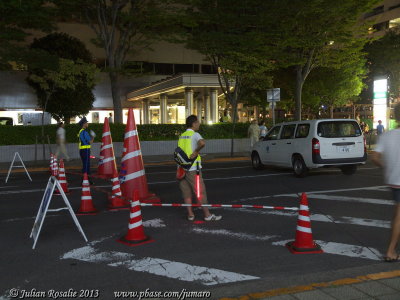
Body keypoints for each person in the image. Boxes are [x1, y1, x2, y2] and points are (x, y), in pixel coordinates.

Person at [177, 115, 222, 221]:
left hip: (182, 169)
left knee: (186, 192)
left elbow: (179, 153)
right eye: (198, 122)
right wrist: (196, 151)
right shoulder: (195, 134)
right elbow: (202, 143)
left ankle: (190, 214)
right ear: (193, 124)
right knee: (200, 191)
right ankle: (207, 215)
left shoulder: (182, 136)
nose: (199, 124)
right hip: (193, 169)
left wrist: (178, 169)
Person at [371, 103, 400, 262]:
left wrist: (386, 167)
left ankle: (391, 250)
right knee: (398, 217)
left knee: (397, 215)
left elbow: (374, 157)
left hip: (394, 180)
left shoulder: (387, 136)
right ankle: (390, 251)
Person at [77, 117, 94, 184]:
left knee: (85, 164)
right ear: (84, 124)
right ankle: (85, 180)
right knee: (86, 165)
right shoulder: (84, 132)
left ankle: (86, 179)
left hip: (82, 150)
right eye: (86, 122)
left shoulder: (80, 131)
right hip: (86, 150)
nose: (87, 123)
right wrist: (93, 136)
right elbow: (90, 142)